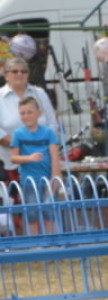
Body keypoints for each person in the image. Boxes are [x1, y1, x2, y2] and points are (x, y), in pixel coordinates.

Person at [0, 56, 58, 181]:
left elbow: (52, 123)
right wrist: (26, 146)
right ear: (6, 75)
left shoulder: (40, 94)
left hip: (42, 163)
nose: (19, 74)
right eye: (15, 71)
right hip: (9, 165)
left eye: (23, 71)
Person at [10, 96, 60, 235]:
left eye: (29, 112)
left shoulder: (48, 133)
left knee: (50, 212)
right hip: (29, 182)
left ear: (39, 113)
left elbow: (55, 156)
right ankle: (34, 244)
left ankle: (53, 242)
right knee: (31, 214)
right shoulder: (18, 134)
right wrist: (28, 158)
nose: (26, 116)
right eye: (22, 113)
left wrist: (55, 177)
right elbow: (13, 158)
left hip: (48, 180)